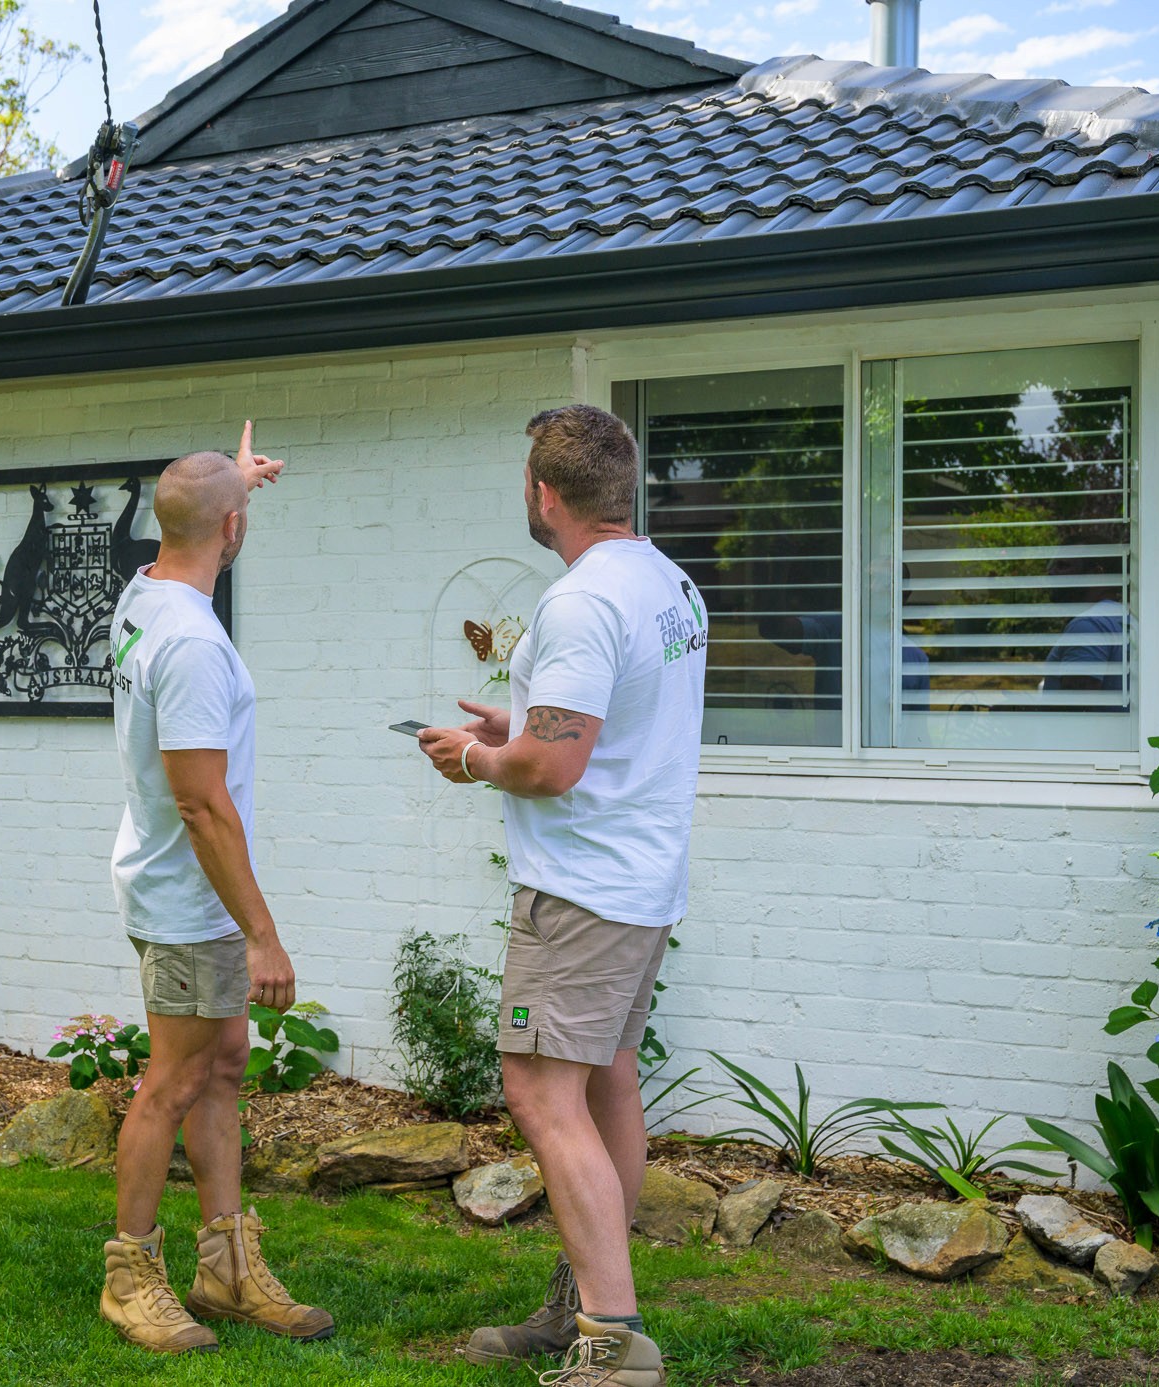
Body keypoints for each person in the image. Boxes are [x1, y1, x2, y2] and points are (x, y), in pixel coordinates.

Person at [417, 405, 706, 1387]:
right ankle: (584, 1304)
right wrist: (525, 718)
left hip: (581, 889)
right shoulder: (665, 581)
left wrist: (477, 755)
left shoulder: (579, 602)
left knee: (540, 1092)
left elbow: (549, 768)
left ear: (544, 495)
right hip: (641, 880)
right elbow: (605, 716)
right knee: (605, 1080)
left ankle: (613, 1345)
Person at [101, 423, 334, 1355]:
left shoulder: (144, 590)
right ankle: (131, 1275)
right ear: (232, 531)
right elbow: (202, 806)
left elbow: (192, 509)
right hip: (187, 894)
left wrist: (230, 482)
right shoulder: (193, 644)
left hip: (174, 885)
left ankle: (227, 1264)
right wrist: (263, 934)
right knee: (176, 1078)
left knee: (222, 1066)